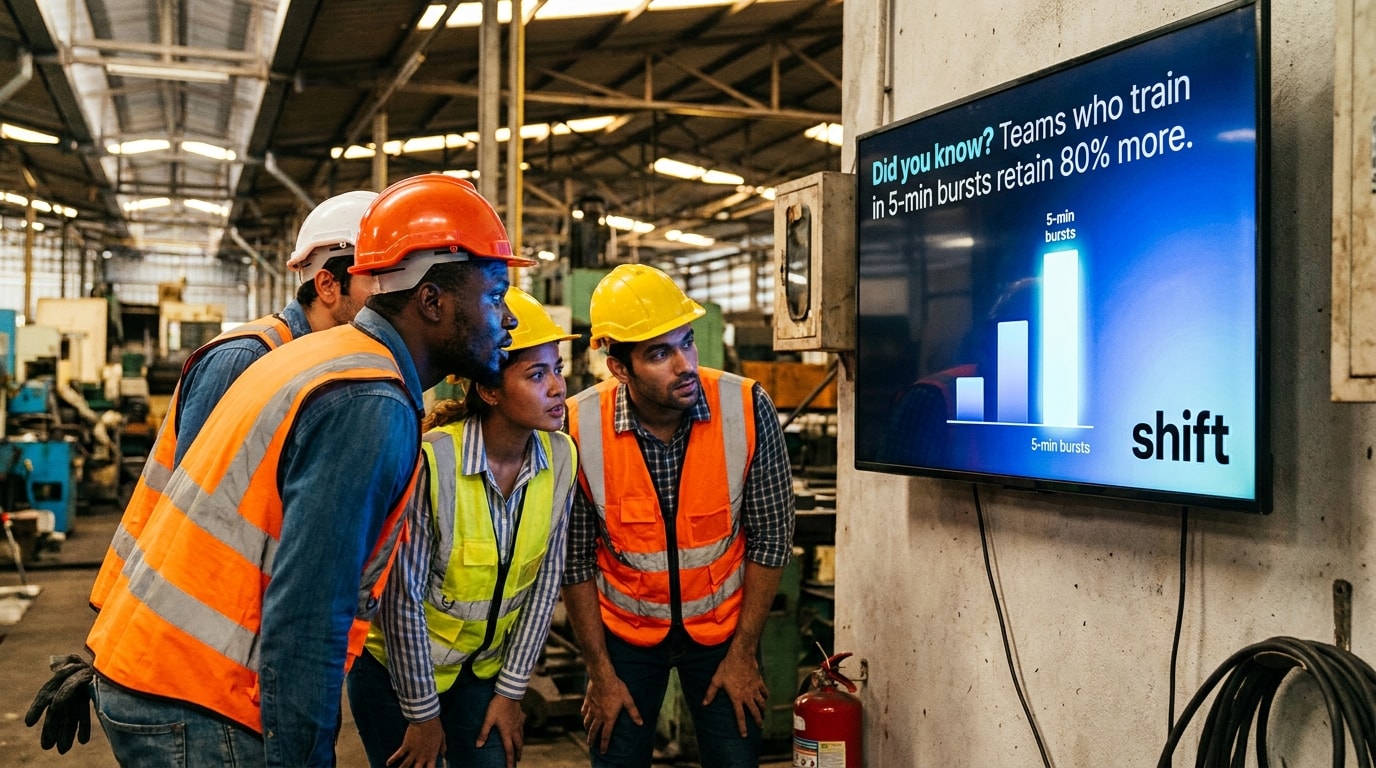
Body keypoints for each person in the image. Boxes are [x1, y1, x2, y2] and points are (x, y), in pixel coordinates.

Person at [82, 173, 534, 767]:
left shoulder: (321, 358)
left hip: (160, 675)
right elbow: (308, 617)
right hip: (204, 695)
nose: (510, 320)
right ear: (432, 300)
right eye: (494, 295)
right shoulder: (367, 400)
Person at [88, 189, 380, 612]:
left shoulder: (322, 368)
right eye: (379, 280)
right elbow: (199, 513)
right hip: (170, 608)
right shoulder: (246, 358)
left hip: (231, 612)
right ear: (328, 284)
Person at [562, 264, 796, 767]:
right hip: (623, 637)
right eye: (659, 354)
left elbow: (772, 537)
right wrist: (600, 672)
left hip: (725, 633)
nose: (685, 364)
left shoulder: (747, 406)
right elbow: (574, 560)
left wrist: (743, 653)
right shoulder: (578, 427)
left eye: (686, 342)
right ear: (619, 367)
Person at [348, 287, 580, 768]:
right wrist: (421, 714)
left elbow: (544, 586)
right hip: (397, 677)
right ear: (490, 389)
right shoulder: (434, 460)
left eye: (557, 369)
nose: (558, 387)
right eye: (537, 374)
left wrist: (512, 692)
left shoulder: (561, 457)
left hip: (481, 674)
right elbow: (401, 599)